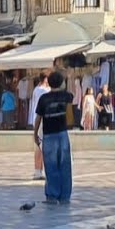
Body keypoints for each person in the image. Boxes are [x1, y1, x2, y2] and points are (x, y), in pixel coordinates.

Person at [33, 71, 74, 204]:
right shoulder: (67, 96)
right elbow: (70, 118)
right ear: (62, 82)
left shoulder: (43, 99)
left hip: (49, 135)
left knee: (50, 166)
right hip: (62, 134)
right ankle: (65, 196)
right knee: (65, 165)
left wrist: (35, 134)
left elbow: (38, 118)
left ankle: (52, 195)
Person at [30, 72, 50, 180]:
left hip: (36, 119)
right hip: (43, 120)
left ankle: (38, 171)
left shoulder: (36, 90)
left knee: (38, 145)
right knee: (44, 145)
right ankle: (44, 171)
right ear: (45, 79)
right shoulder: (45, 90)